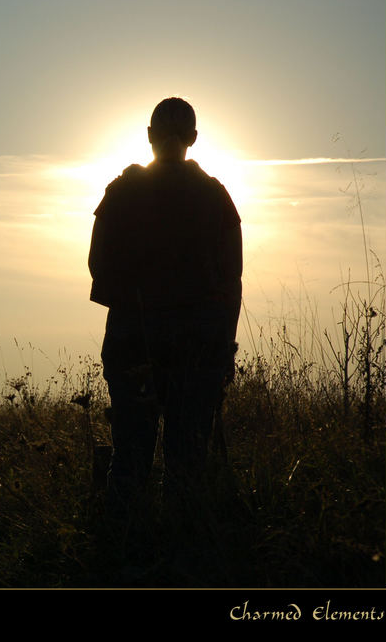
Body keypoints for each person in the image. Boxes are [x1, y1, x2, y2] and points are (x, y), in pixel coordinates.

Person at [88, 97, 242, 516]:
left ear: (149, 136)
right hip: (200, 344)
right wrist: (223, 343)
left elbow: (96, 264)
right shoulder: (216, 196)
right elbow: (232, 279)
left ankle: (121, 554)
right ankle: (182, 558)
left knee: (131, 455)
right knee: (188, 459)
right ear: (193, 138)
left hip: (132, 339)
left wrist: (135, 303)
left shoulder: (121, 192)